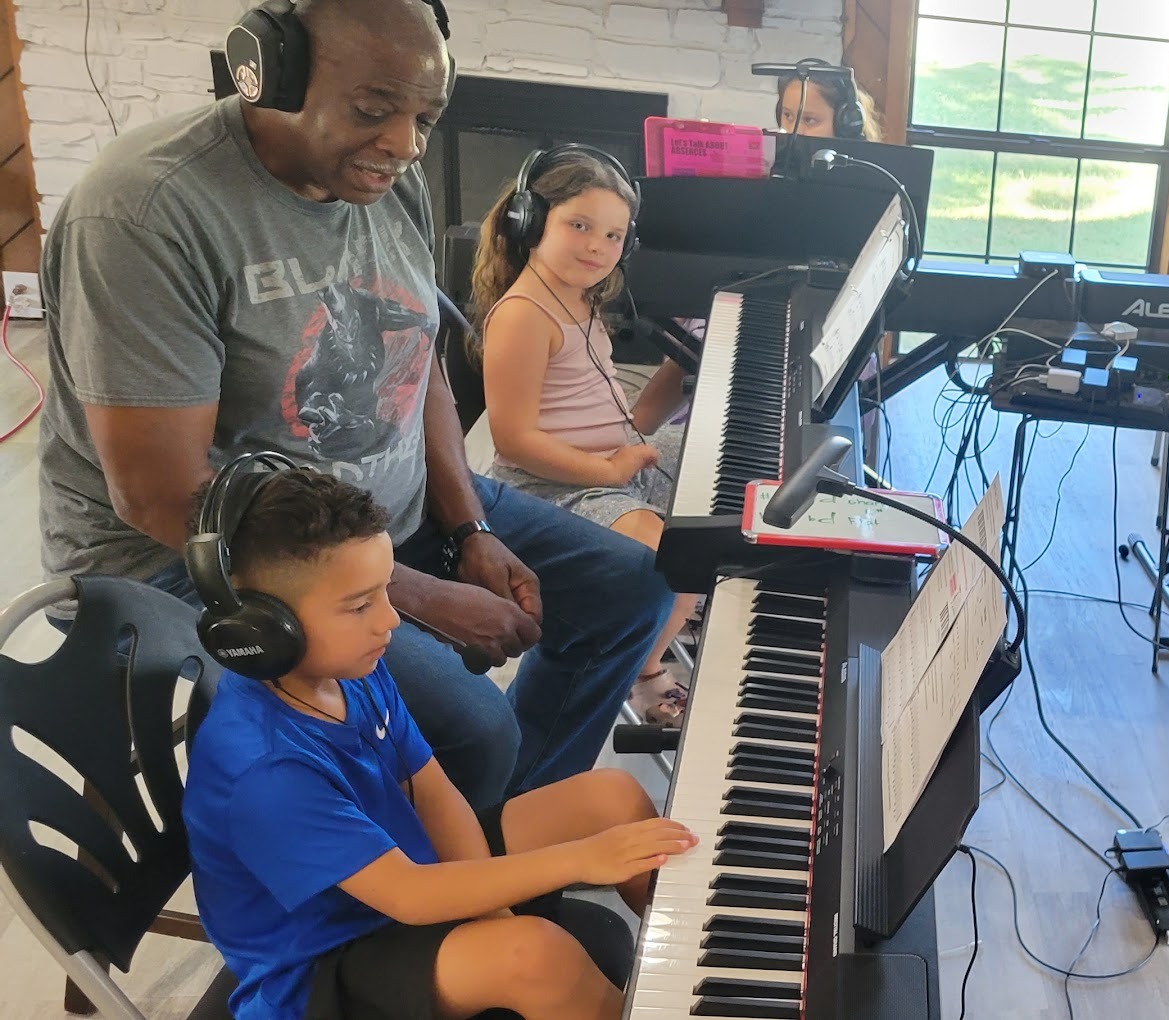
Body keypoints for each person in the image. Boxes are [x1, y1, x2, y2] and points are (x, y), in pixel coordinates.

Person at [36, 0, 672, 808]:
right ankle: (421, 904)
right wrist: (402, 591)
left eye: (425, 118)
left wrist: (468, 525)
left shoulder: (381, 179)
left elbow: (421, 368)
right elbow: (161, 496)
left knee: (633, 586)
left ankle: (506, 833)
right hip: (193, 561)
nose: (405, 145)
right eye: (374, 110)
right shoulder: (147, 210)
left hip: (376, 511)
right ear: (272, 71)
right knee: (473, 729)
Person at [182, 463, 698, 1020]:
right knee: (535, 957)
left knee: (610, 799)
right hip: (324, 964)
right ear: (262, 626)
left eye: (385, 592)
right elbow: (410, 895)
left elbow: (433, 792)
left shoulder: (350, 666)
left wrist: (495, 912)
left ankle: (706, 969)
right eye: (359, 605)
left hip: (402, 881)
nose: (389, 622)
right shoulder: (267, 773)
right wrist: (579, 861)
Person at [470, 145, 698, 725]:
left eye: (615, 236)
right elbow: (513, 439)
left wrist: (643, 430)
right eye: (579, 225)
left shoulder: (579, 298)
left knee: (717, 500)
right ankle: (642, 673)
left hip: (603, 462)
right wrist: (609, 471)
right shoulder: (523, 314)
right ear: (529, 222)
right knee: (670, 557)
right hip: (549, 485)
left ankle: (649, 652)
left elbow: (596, 403)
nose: (598, 246)